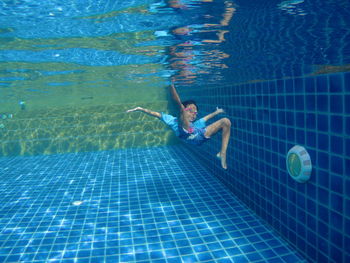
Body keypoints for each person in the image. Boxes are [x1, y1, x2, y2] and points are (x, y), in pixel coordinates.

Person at [126, 84, 231, 169]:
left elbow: (206, 118)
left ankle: (222, 153)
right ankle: (171, 86)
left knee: (226, 122)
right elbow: (157, 113)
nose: (194, 114)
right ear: (184, 110)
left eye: (195, 112)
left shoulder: (195, 124)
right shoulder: (174, 120)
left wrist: (216, 112)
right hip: (187, 134)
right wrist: (140, 108)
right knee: (184, 119)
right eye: (191, 110)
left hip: (199, 135)